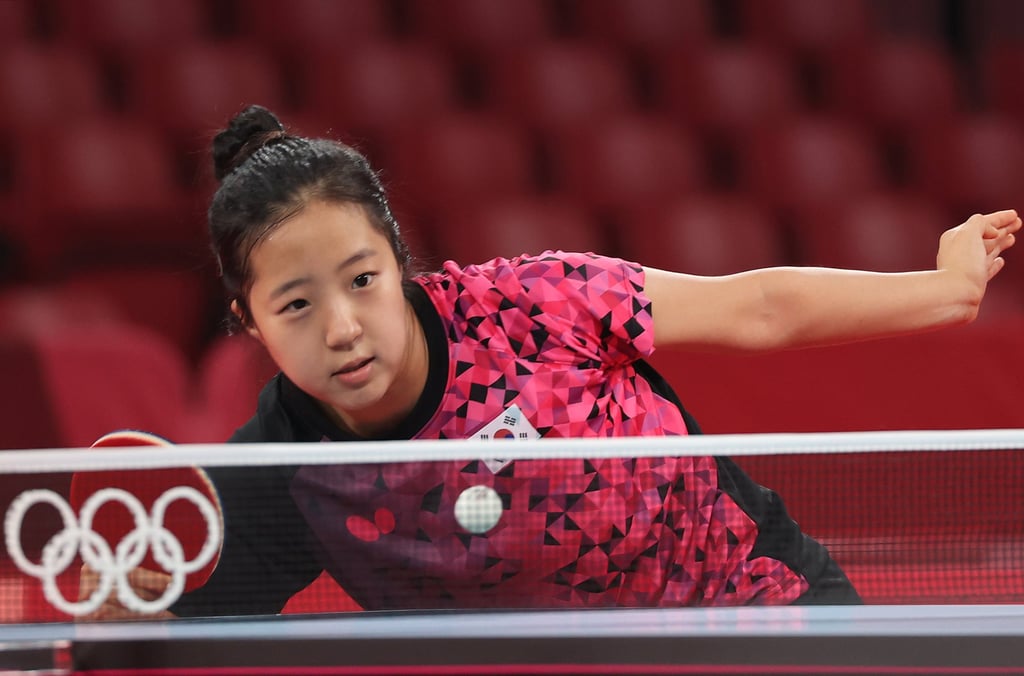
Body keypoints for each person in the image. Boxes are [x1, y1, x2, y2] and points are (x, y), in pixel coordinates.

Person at [82, 104, 1019, 619]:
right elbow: (172, 627)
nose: (342, 328)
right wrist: (125, 605)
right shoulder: (283, 474)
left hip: (750, 611)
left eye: (362, 279)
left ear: (399, 260)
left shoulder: (537, 305)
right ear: (247, 323)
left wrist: (944, 290)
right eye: (295, 304)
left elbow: (757, 305)